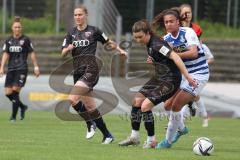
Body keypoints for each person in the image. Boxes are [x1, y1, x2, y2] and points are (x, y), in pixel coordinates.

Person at [118, 20, 197, 148]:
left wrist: (187, 76)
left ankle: (151, 141)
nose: (138, 40)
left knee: (145, 106)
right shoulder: (150, 43)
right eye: (135, 38)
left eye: (140, 37)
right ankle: (134, 137)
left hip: (170, 80)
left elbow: (175, 57)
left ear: (148, 33)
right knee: (136, 102)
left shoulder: (156, 44)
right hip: (159, 78)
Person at [61, 5, 127, 144]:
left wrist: (120, 50)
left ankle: (90, 123)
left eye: (80, 14)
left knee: (73, 99)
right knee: (90, 107)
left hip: (91, 70)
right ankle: (107, 135)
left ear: (86, 15)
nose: (77, 17)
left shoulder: (94, 31)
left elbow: (108, 43)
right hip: (77, 72)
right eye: (75, 15)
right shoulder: (70, 33)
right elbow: (62, 53)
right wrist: (68, 49)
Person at [152, 8, 209, 149]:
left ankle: (168, 142)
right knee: (167, 106)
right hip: (183, 75)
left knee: (176, 105)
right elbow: (164, 58)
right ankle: (182, 129)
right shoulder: (166, 39)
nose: (169, 24)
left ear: (178, 22)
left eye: (172, 21)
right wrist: (154, 58)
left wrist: (172, 54)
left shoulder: (188, 32)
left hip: (199, 74)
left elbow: (194, 53)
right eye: (166, 22)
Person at [179, 4, 214, 127]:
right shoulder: (175, 29)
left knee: (187, 95)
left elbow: (197, 46)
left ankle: (182, 120)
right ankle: (199, 113)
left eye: (189, 12)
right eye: (184, 12)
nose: (187, 15)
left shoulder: (196, 29)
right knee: (191, 95)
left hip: (195, 69)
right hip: (182, 68)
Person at [0, 16, 40, 122]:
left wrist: (36, 67)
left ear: (21, 28)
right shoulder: (8, 41)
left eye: (19, 27)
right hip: (11, 69)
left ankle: (13, 117)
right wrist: (1, 67)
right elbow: (5, 54)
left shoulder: (26, 40)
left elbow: (32, 53)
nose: (17, 29)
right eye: (15, 27)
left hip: (22, 69)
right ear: (12, 28)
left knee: (15, 91)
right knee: (8, 93)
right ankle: (22, 107)